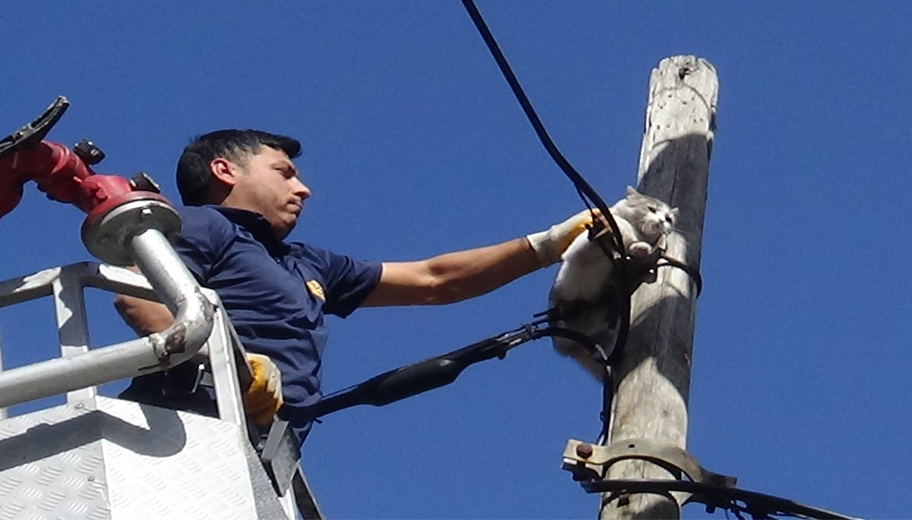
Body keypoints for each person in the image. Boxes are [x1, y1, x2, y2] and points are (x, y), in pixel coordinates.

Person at [115, 129, 593, 443]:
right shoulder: (203, 225)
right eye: (284, 173)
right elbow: (138, 294)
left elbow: (434, 280)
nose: (303, 189)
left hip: (257, 445)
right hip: (184, 425)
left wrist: (549, 244)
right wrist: (227, 368)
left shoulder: (304, 262)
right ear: (225, 171)